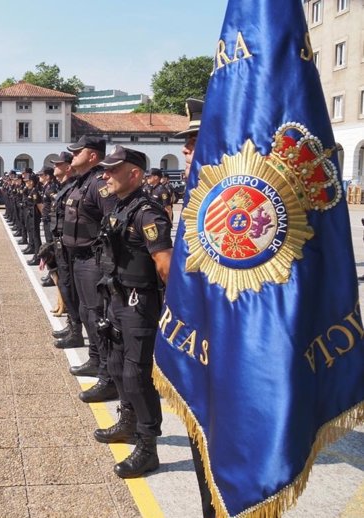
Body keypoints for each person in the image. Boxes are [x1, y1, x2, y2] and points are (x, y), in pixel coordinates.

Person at [93, 145, 173, 478]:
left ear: (135, 174)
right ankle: (127, 422)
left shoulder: (147, 212)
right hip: (116, 298)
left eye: (113, 170)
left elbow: (165, 264)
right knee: (115, 363)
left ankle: (147, 445)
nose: (105, 174)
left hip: (139, 303)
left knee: (137, 375)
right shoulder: (119, 206)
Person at [174, 97, 216, 517]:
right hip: (199, 344)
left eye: (194, 140)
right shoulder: (199, 197)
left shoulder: (228, 203)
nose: (187, 151)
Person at [62, 136, 119, 402]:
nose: (72, 155)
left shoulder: (99, 184)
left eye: (77, 152)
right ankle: (95, 360)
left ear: (93, 155)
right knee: (86, 312)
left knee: (97, 317)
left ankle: (108, 378)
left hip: (93, 259)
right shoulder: (81, 181)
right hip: (78, 257)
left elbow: (111, 223)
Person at [49, 151, 85, 350]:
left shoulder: (73, 187)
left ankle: (76, 331)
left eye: (59, 164)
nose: (55, 166)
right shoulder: (65, 188)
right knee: (65, 286)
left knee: (70, 288)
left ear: (68, 168)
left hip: (69, 246)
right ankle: (72, 326)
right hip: (61, 244)